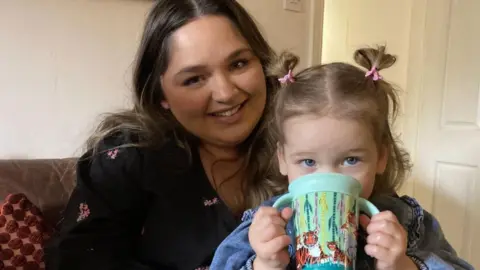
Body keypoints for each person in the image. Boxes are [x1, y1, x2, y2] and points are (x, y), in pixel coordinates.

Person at [44, 0, 288, 269]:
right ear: (162, 96)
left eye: (238, 64)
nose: (226, 93)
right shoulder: (127, 159)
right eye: (194, 79)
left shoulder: (298, 144)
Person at [210, 46, 475, 270]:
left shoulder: (407, 220)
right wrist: (262, 264)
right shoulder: (266, 223)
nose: (329, 178)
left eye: (350, 160)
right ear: (282, 158)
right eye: (308, 162)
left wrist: (405, 265)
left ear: (381, 157)